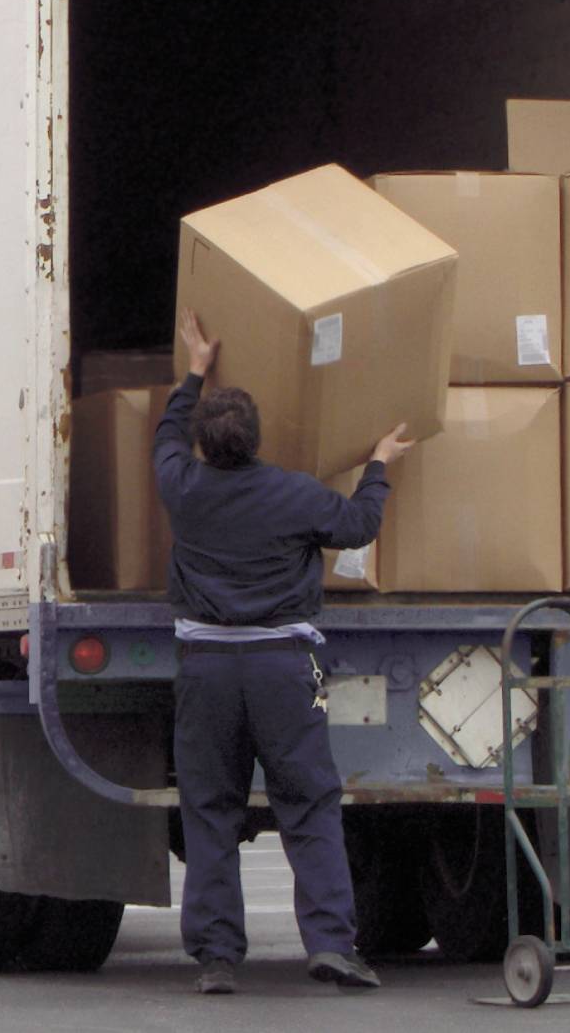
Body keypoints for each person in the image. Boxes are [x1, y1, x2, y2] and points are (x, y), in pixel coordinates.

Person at [157, 307, 411, 996]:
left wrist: (193, 372)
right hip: (280, 669)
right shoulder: (294, 494)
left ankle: (216, 958)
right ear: (259, 439)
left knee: (210, 808)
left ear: (204, 446)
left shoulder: (182, 489)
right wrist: (378, 465)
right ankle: (330, 944)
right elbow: (357, 527)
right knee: (307, 805)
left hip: (205, 671)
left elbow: (164, 437)